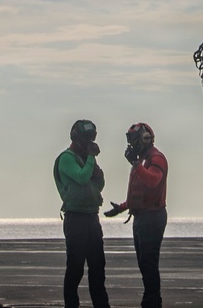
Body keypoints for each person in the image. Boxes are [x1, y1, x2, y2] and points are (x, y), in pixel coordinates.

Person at [104, 122, 169, 308]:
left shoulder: (156, 159)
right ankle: (151, 301)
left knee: (148, 264)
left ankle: (152, 302)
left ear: (145, 139)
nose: (131, 145)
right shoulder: (143, 161)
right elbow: (140, 192)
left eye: (133, 140)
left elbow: (153, 182)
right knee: (144, 264)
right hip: (142, 217)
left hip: (152, 217)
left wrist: (135, 164)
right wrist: (122, 208)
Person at [54, 119, 110, 308]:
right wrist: (92, 158)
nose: (89, 142)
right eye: (86, 138)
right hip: (75, 218)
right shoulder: (66, 158)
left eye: (91, 138)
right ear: (77, 138)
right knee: (75, 268)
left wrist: (94, 169)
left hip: (91, 217)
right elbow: (81, 177)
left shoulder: (86, 158)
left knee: (97, 267)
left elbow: (98, 183)